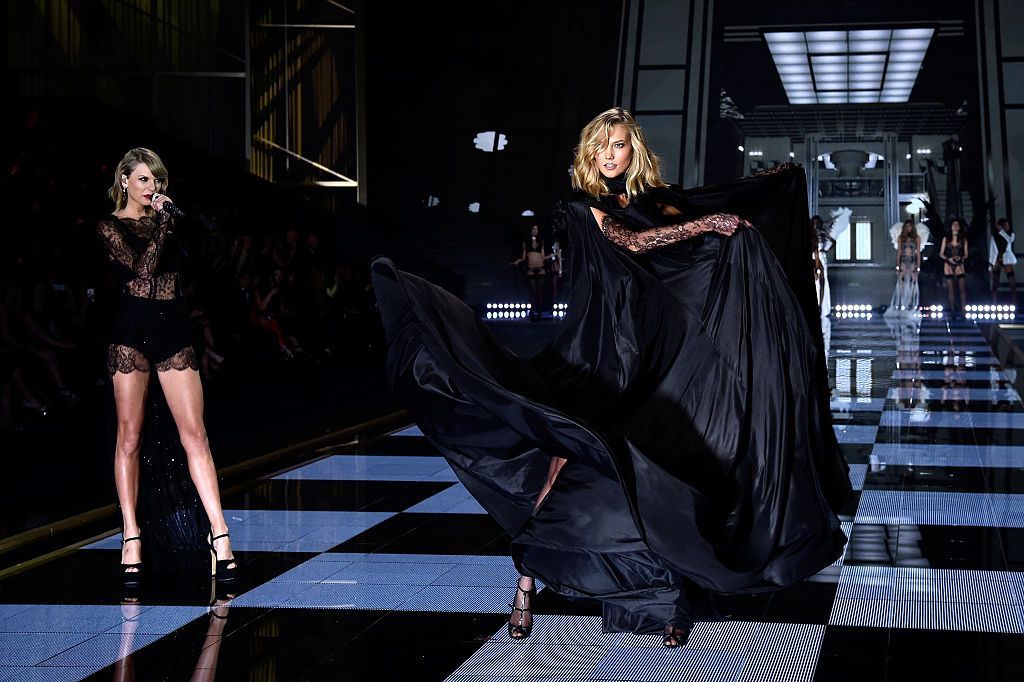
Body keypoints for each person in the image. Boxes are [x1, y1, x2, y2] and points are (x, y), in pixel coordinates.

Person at [370, 108, 850, 648]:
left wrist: (765, 188)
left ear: (632, 150)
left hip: (642, 350)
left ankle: (658, 595)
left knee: (637, 468)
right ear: (589, 152)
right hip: (598, 350)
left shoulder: (647, 200)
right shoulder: (583, 206)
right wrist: (708, 225)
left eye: (619, 145)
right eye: (602, 145)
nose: (610, 155)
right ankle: (526, 579)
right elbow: (634, 243)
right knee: (561, 460)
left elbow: (693, 206)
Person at [96, 147, 237, 585]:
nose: (152, 187)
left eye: (156, 180)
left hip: (172, 327)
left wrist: (174, 222)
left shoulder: (173, 223)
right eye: (143, 179)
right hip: (131, 329)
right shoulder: (109, 226)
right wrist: (163, 226)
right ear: (124, 181)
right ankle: (131, 536)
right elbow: (139, 273)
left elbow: (210, 253)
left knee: (194, 432)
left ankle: (220, 533)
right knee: (130, 435)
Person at [884, 219, 925, 317]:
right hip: (903, 261)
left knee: (913, 282)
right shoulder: (901, 238)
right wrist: (897, 265)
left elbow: (918, 253)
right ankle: (902, 303)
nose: (908, 228)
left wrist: (918, 266)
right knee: (901, 283)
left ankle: (911, 304)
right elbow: (899, 252)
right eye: (907, 226)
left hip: (912, 261)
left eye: (910, 226)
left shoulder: (917, 238)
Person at [510, 225, 548, 319]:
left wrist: (553, 255)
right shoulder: (526, 242)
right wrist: (517, 261)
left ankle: (539, 312)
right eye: (534, 229)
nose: (536, 230)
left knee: (540, 292)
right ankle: (531, 311)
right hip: (531, 269)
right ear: (530, 230)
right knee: (533, 291)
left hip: (541, 268)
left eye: (537, 229)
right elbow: (524, 257)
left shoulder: (541, 242)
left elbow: (543, 257)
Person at [939, 218, 969, 315]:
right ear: (951, 227)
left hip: (959, 264)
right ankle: (952, 310)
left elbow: (966, 254)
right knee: (950, 288)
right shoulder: (946, 239)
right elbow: (941, 254)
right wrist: (949, 259)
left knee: (962, 289)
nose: (955, 226)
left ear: (959, 227)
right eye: (954, 225)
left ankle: (963, 310)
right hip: (948, 264)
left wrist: (960, 258)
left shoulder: (964, 239)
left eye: (957, 225)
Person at [989, 217, 1017, 307]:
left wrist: (1002, 231)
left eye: (1008, 225)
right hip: (997, 260)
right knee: (995, 283)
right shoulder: (994, 237)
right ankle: (994, 305)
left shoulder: (1010, 235)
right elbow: (992, 251)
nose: (1007, 227)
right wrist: (991, 265)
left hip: (1007, 260)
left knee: (1012, 283)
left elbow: (1009, 240)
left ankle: (1014, 304)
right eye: (1005, 225)